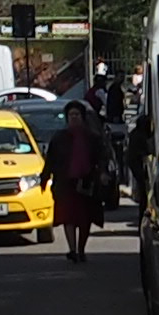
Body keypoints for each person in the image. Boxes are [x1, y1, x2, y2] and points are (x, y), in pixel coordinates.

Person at [49, 95, 104, 258]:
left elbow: (100, 158)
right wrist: (45, 178)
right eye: (71, 115)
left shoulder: (92, 138)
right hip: (66, 184)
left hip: (87, 183)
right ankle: (72, 250)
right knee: (68, 218)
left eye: (77, 115)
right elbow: (51, 159)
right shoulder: (59, 138)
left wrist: (101, 174)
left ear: (82, 117)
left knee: (85, 219)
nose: (74, 118)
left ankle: (81, 249)